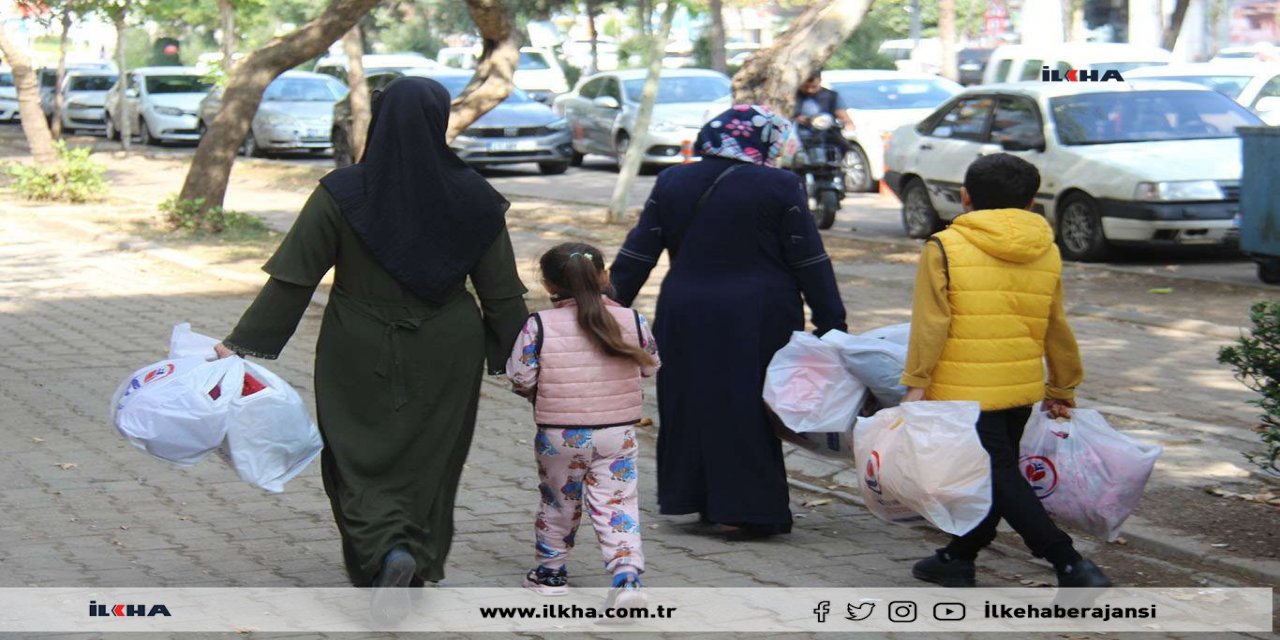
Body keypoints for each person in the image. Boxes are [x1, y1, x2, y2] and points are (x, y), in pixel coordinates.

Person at [213, 78, 530, 604]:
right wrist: (530, 361)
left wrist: (241, 343)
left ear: (379, 122)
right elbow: (502, 294)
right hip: (448, 349)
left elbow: (295, 278)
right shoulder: (476, 197)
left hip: (356, 344)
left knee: (351, 452)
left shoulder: (342, 192)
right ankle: (416, 555)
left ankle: (384, 552)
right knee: (432, 456)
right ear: (439, 121)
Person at [609, 105, 847, 539]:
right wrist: (831, 321)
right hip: (757, 315)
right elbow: (809, 258)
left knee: (689, 403)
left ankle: (694, 498)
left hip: (685, 310)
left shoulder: (672, 180)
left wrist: (606, 308)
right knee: (747, 406)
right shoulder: (779, 185)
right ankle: (748, 509)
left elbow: (638, 253)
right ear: (768, 140)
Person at [900, 153, 1112, 589]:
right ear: (1032, 202)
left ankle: (1069, 562)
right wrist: (1062, 384)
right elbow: (1056, 322)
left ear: (965, 198)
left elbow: (930, 323)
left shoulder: (944, 246)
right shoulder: (1046, 249)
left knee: (998, 476)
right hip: (1019, 389)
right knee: (995, 474)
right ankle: (958, 557)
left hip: (962, 393)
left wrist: (916, 383)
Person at [507, 243, 659, 606]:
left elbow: (521, 377)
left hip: (559, 434)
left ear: (547, 284)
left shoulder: (538, 325)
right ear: (604, 277)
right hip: (616, 432)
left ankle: (550, 573)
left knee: (558, 501)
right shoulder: (632, 320)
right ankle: (625, 576)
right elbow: (650, 365)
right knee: (618, 502)